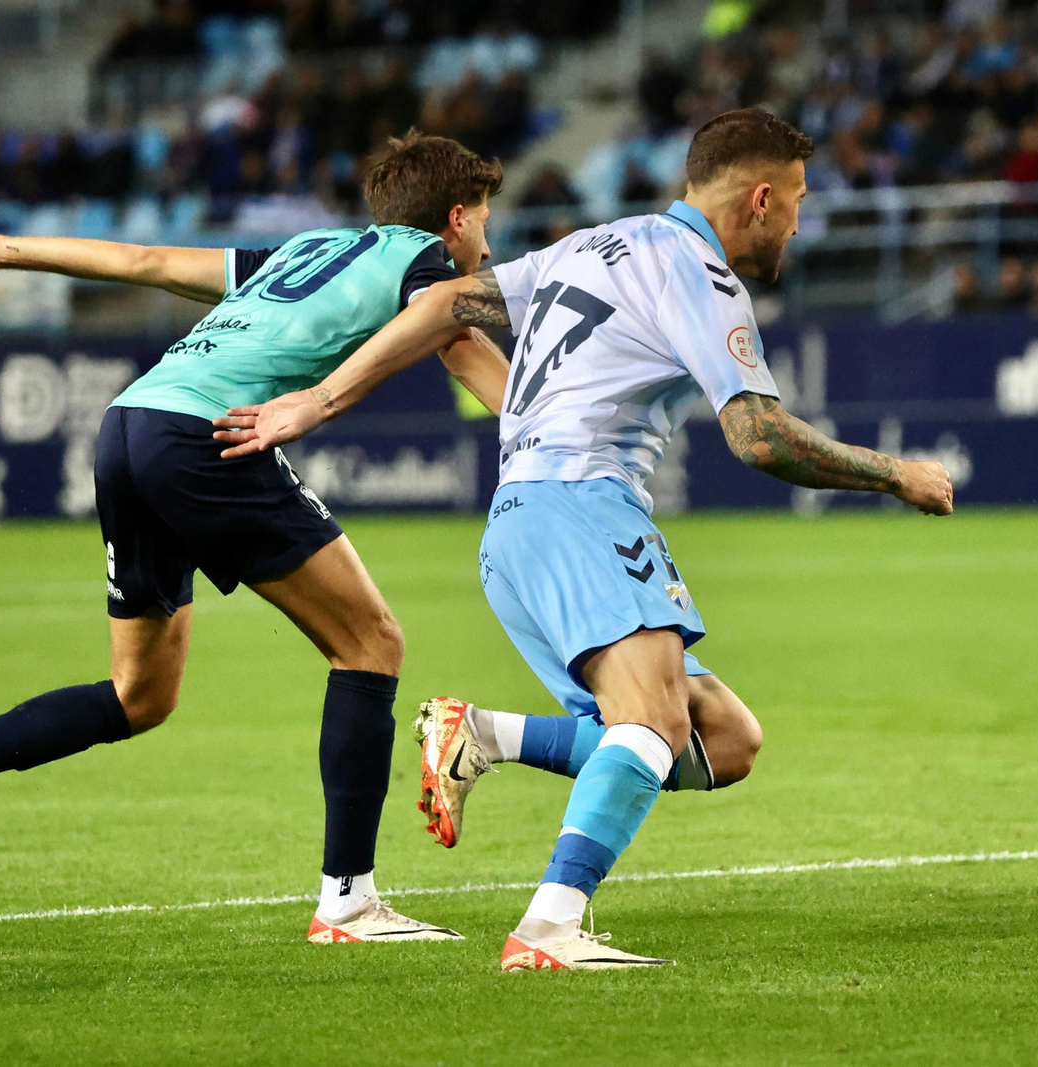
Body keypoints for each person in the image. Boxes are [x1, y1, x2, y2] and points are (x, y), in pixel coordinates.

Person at [213, 108, 955, 970]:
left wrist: (322, 397)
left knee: (723, 740)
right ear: (759, 198)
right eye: (796, 198)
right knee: (654, 720)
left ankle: (481, 732)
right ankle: (549, 929)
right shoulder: (699, 275)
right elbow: (760, 437)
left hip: (518, 523)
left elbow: (444, 303)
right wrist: (894, 474)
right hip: (581, 505)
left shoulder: (590, 245)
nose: (798, 218)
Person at [0, 131, 512, 944]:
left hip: (128, 424)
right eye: (483, 222)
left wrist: (2, 248)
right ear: (454, 218)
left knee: (140, 695)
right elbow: (458, 336)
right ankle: (348, 901)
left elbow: (147, 260)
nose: (486, 244)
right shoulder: (426, 264)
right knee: (371, 643)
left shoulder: (305, 250)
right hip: (207, 435)